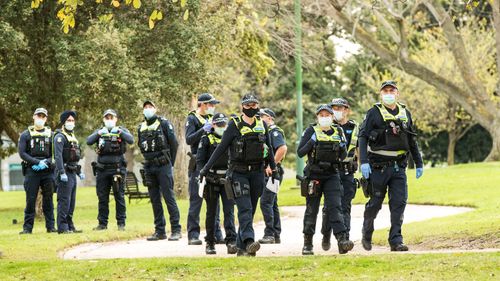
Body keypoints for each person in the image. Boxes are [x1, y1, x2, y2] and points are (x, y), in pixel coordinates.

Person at [199, 93, 278, 257]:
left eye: (254, 105)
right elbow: (221, 148)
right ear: (242, 106)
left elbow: (269, 148)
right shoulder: (234, 125)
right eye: (248, 105)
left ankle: (242, 248)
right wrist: (204, 169)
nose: (251, 108)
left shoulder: (262, 124)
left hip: (257, 172)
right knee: (245, 208)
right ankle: (250, 241)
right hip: (238, 173)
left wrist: (274, 169)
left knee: (251, 209)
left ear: (257, 106)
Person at [359, 80, 424, 252]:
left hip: (398, 167)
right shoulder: (373, 113)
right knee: (375, 203)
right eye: (385, 90)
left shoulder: (405, 112)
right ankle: (367, 231)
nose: (389, 93)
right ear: (381, 94)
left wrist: (418, 162)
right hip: (378, 167)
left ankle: (396, 240)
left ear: (397, 93)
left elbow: (411, 139)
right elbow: (363, 137)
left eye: (392, 90)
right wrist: (363, 162)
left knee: (398, 203)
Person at [297, 104, 354, 255]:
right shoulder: (311, 130)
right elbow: (300, 152)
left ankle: (342, 240)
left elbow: (342, 156)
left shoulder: (338, 131)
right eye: (321, 115)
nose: (324, 118)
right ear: (317, 117)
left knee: (335, 207)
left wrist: (342, 146)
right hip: (314, 175)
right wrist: (312, 142)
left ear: (331, 116)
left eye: (327, 115)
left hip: (332, 175)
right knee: (312, 210)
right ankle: (307, 243)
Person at [138, 100, 182, 241]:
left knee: (169, 197)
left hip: (164, 165)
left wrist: (171, 163)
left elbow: (174, 143)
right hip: (149, 167)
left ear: (156, 109)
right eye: (145, 107)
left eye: (150, 107)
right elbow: (141, 145)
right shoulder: (141, 127)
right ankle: (160, 231)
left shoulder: (163, 123)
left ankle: (176, 229)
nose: (148, 109)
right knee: (154, 199)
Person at [320, 98, 359, 251]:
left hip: (348, 172)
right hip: (331, 172)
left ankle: (344, 240)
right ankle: (326, 234)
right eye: (334, 108)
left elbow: (359, 148)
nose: (336, 110)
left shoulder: (354, 127)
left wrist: (364, 168)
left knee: (345, 206)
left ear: (346, 110)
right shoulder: (327, 127)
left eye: (339, 108)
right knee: (330, 207)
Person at [196, 113, 237, 255]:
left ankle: (231, 241)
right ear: (213, 125)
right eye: (218, 125)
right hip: (211, 179)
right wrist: (202, 176)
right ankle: (210, 242)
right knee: (212, 212)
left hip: (227, 179)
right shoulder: (206, 138)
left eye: (223, 125)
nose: (221, 127)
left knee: (229, 212)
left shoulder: (230, 138)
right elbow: (200, 160)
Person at [185, 93, 224, 245]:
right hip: (199, 163)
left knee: (215, 200)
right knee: (197, 198)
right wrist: (203, 130)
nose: (212, 107)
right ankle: (193, 234)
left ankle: (216, 233)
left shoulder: (212, 119)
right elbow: (189, 139)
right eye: (210, 104)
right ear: (203, 104)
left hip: (214, 163)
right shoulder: (192, 119)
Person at [87, 109, 134, 231]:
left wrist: (119, 132)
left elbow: (131, 140)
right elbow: (89, 141)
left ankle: (121, 224)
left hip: (117, 170)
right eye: (107, 118)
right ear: (103, 120)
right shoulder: (100, 132)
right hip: (102, 170)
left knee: (119, 196)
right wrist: (98, 134)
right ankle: (102, 224)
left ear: (115, 119)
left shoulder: (121, 131)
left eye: (111, 118)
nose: (109, 120)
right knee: (102, 197)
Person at [18, 108, 56, 234]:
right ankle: (27, 228)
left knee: (48, 200)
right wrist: (36, 162)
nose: (40, 118)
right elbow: (22, 153)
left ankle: (51, 227)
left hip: (47, 171)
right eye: (38, 115)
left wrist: (46, 162)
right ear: (33, 117)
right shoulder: (25, 135)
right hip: (32, 171)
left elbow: (56, 153)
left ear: (46, 119)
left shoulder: (52, 134)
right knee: (30, 199)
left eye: (43, 116)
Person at [258, 108, 287, 244]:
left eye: (262, 116)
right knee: (272, 203)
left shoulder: (274, 131)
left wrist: (272, 165)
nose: (259, 118)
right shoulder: (264, 131)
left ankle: (269, 233)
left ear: (270, 118)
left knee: (265, 202)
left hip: (273, 173)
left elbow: (282, 148)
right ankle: (276, 233)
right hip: (269, 172)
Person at [54, 110, 84, 234]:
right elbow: (58, 156)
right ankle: (62, 227)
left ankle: (70, 225)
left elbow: (74, 158)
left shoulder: (73, 137)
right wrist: (61, 172)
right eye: (68, 121)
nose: (71, 123)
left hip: (72, 172)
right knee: (64, 201)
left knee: (71, 202)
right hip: (64, 173)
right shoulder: (60, 137)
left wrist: (79, 172)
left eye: (72, 120)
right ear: (63, 122)